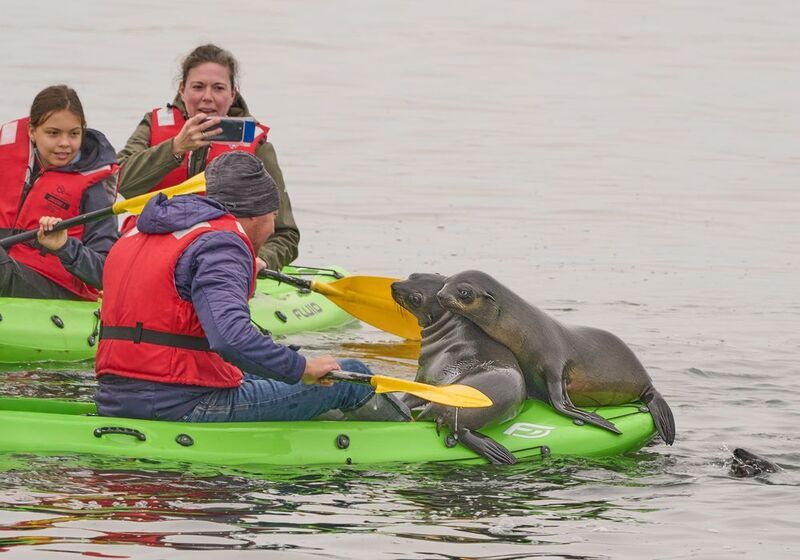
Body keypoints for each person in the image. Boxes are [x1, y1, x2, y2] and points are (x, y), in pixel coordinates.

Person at [95, 151, 410, 423]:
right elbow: (229, 338)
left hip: (115, 398)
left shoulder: (140, 234)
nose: (273, 228)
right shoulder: (222, 245)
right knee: (348, 375)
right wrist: (301, 367)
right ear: (257, 214)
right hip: (182, 403)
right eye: (273, 216)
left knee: (270, 370)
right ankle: (415, 438)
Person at [116, 44, 298, 271]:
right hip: (148, 257)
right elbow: (119, 182)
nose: (207, 97)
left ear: (233, 94)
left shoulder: (257, 144)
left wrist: (264, 260)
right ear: (182, 90)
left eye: (218, 88)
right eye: (198, 87)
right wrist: (174, 148)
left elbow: (285, 233)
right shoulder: (153, 126)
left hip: (216, 263)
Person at [0, 85, 118, 300]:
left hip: (59, 288)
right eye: (53, 133)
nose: (64, 143)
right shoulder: (7, 161)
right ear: (32, 132)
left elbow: (107, 273)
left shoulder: (94, 188)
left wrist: (64, 246)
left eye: (74, 134)